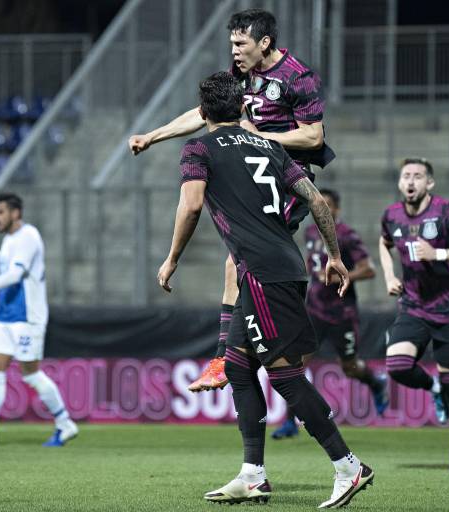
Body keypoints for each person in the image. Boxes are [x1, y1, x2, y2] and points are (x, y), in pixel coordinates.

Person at [157, 71, 373, 508]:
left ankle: (348, 466)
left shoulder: (198, 147)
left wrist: (173, 257)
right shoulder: (271, 145)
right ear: (241, 108)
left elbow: (192, 203)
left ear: (202, 113)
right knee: (237, 368)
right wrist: (334, 255)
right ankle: (253, 475)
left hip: (260, 274)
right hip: (283, 267)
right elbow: (314, 199)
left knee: (285, 375)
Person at [130, 8, 334, 392]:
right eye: (232, 44)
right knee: (241, 261)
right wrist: (153, 135)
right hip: (251, 175)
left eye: (241, 44)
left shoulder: (299, 77)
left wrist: (261, 138)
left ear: (264, 43)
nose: (235, 51)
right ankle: (245, 351)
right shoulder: (241, 75)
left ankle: (226, 355)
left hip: (289, 180)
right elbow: (204, 112)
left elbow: (313, 138)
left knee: (237, 257)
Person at [379, 157, 449, 473]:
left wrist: (439, 253)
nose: (411, 181)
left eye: (417, 176)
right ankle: (433, 389)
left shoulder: (446, 211)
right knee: (397, 366)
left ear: (429, 183)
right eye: (405, 176)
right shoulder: (392, 215)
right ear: (400, 183)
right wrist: (388, 276)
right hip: (413, 306)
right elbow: (384, 243)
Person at [0, 193, 78, 447]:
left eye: (0, 212)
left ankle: (65, 424)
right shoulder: (9, 240)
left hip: (27, 318)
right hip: (4, 318)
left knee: (31, 375)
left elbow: (16, 274)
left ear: (15, 213)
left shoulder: (28, 236)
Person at [272, 189, 388, 440]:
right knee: (296, 366)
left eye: (327, 205)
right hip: (314, 309)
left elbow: (368, 270)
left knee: (349, 367)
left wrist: (344, 275)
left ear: (336, 210)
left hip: (342, 313)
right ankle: (289, 422)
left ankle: (376, 383)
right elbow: (311, 264)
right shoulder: (311, 232)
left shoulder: (346, 235)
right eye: (317, 203)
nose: (320, 208)